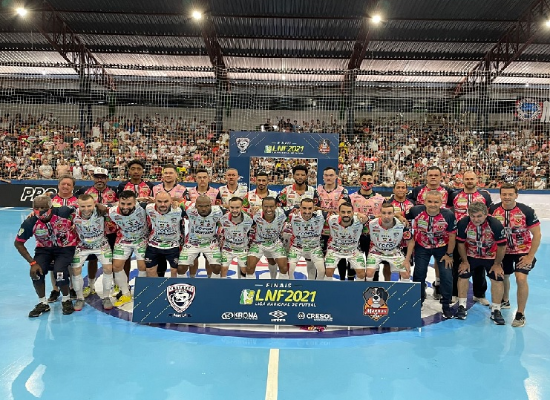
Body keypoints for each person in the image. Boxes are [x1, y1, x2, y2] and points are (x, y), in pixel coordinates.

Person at [14, 195, 77, 317]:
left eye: (43, 208)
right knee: (36, 273)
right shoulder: (30, 222)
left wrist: (75, 223)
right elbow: (18, 243)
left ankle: (66, 299)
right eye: (36, 208)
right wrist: (32, 263)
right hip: (44, 249)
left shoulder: (62, 212)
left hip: (65, 247)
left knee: (59, 272)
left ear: (51, 207)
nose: (40, 211)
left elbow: (80, 208)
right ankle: (42, 303)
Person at [489, 183, 541, 327]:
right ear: (500, 195)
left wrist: (530, 256)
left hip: (522, 251)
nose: (507, 197)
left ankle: (520, 313)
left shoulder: (526, 211)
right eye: (504, 194)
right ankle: (505, 300)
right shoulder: (493, 210)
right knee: (503, 276)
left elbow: (537, 235)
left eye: (510, 194)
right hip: (502, 251)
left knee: (521, 278)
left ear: (516, 195)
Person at [406, 191, 457, 319]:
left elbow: (452, 236)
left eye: (436, 202)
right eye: (429, 201)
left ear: (441, 202)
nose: (433, 204)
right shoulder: (416, 211)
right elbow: (402, 216)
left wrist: (449, 254)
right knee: (419, 273)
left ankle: (446, 305)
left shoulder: (448, 215)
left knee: (446, 275)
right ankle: (418, 301)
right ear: (424, 202)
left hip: (442, 248)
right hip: (422, 247)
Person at [456, 201, 507, 324]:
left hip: (490, 257)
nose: (476, 219)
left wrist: (497, 264)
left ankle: (496, 310)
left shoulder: (495, 224)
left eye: (479, 216)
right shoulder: (463, 223)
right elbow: (461, 244)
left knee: (497, 277)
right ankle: (462, 306)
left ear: (485, 214)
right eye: (473, 216)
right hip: (471, 255)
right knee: (463, 274)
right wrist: (464, 261)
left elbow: (502, 246)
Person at [407, 166, 453, 299]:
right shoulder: (418, 190)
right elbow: (408, 203)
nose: (433, 177)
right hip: (422, 238)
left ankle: (439, 288)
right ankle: (419, 296)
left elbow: (453, 206)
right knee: (420, 270)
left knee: (443, 269)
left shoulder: (448, 191)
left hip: (441, 237)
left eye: (436, 175)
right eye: (430, 175)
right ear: (426, 177)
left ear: (440, 177)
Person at [449, 170, 492, 305]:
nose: (469, 181)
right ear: (462, 180)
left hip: (479, 236)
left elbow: (489, 214)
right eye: (466, 179)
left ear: (476, 180)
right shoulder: (454, 195)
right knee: (456, 264)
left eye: (471, 179)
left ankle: (479, 294)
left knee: (479, 265)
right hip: (459, 235)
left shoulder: (484, 195)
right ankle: (455, 293)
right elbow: (448, 211)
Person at [74, 167, 118, 297]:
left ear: (107, 179)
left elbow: (120, 204)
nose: (100, 180)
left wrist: (107, 206)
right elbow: (74, 205)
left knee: (111, 260)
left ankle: (115, 284)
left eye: (102, 177)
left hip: (111, 231)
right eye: (97, 177)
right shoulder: (84, 191)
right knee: (92, 260)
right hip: (91, 232)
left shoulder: (114, 191)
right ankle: (91, 285)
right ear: (93, 178)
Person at [70, 194, 114, 310]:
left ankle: (106, 297)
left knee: (108, 268)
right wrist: (33, 214)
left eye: (89, 206)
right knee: (75, 270)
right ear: (78, 205)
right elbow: (54, 210)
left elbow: (117, 205)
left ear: (94, 204)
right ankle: (80, 298)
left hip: (101, 245)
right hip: (82, 246)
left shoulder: (101, 211)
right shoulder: (72, 213)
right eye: (83, 206)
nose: (86, 209)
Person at [108, 190, 149, 307]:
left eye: (129, 204)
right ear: (118, 202)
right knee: (116, 266)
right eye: (123, 204)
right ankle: (125, 293)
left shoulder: (143, 208)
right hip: (123, 239)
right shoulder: (112, 212)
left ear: (135, 203)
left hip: (141, 239)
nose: (125, 207)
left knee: (142, 266)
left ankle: (141, 292)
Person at [348, 171, 385, 281]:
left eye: (369, 179)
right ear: (359, 181)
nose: (366, 182)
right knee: (353, 264)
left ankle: (374, 286)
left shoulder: (380, 199)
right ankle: (350, 286)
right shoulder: (352, 197)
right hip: (355, 236)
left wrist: (370, 217)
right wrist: (357, 214)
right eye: (364, 179)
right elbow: (345, 212)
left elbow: (386, 214)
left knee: (374, 265)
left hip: (374, 236)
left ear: (373, 181)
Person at [47, 174, 79, 302]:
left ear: (73, 187)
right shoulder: (50, 200)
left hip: (72, 238)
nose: (65, 186)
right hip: (53, 238)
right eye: (63, 184)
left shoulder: (78, 201)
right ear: (58, 185)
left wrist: (76, 224)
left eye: (69, 184)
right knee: (53, 264)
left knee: (72, 263)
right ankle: (55, 289)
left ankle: (72, 288)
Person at [177, 195, 224, 278]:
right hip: (192, 243)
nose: (204, 209)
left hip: (211, 243)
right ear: (195, 205)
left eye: (207, 206)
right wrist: (174, 203)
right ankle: (186, 283)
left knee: (217, 268)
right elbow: (177, 201)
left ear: (211, 205)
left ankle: (213, 283)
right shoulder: (189, 208)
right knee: (181, 268)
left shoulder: (219, 210)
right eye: (200, 206)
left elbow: (234, 208)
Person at [243, 171, 279, 278]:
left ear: (268, 181)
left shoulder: (275, 195)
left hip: (271, 232)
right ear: (255, 181)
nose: (261, 182)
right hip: (253, 232)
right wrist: (250, 212)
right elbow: (243, 211)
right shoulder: (248, 195)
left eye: (264, 180)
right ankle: (248, 281)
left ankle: (273, 280)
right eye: (259, 180)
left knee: (272, 259)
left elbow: (280, 211)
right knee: (249, 260)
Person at [366, 203, 412, 282]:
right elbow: (356, 217)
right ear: (380, 214)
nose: (386, 216)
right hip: (376, 251)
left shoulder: (401, 225)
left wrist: (407, 260)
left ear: (394, 214)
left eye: (389, 213)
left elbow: (411, 241)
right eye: (384, 213)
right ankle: (368, 289)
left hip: (394, 251)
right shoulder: (371, 223)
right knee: (369, 273)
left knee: (406, 274)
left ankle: (404, 290)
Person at [246, 197, 289, 279]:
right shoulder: (255, 214)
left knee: (283, 268)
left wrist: (297, 210)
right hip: (258, 243)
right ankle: (251, 286)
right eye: (266, 206)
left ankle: (275, 283)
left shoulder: (282, 212)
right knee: (249, 267)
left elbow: (297, 207)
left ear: (276, 206)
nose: (268, 209)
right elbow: (237, 210)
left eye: (271, 206)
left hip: (275, 243)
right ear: (261, 206)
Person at [144, 192, 185, 278]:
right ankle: (156, 286)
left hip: (174, 244)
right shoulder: (148, 208)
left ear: (171, 201)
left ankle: (173, 286)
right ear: (155, 201)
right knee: (150, 269)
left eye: (166, 201)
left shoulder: (179, 209)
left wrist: (178, 201)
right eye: (159, 201)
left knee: (175, 270)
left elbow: (196, 204)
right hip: (154, 244)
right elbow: (129, 203)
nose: (162, 204)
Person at [324, 202, 369, 281]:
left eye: (349, 212)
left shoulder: (360, 220)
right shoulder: (331, 219)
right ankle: (329, 288)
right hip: (334, 250)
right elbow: (317, 212)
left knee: (362, 274)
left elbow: (378, 217)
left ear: (353, 213)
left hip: (353, 251)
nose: (346, 214)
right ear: (339, 212)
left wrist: (367, 217)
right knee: (328, 272)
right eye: (343, 212)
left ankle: (357, 288)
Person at [287, 198, 326, 280]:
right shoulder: (292, 216)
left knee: (322, 271)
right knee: (289, 269)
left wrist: (320, 208)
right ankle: (292, 285)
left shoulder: (321, 215)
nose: (307, 211)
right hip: (296, 247)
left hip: (314, 248)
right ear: (300, 208)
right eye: (304, 208)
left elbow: (338, 212)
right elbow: (276, 210)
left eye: (310, 208)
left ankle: (314, 286)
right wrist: (294, 208)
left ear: (314, 208)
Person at [219, 197, 254, 278]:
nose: (234, 210)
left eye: (237, 207)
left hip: (242, 248)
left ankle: (244, 283)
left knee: (245, 270)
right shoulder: (223, 218)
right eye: (232, 207)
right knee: (223, 269)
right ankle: (222, 284)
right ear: (228, 207)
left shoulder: (249, 219)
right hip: (227, 248)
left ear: (242, 207)